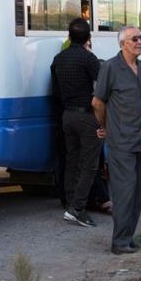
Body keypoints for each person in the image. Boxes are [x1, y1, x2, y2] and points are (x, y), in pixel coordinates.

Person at [92, 26, 141, 254]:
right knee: (124, 191)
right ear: (122, 43)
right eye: (134, 39)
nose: (139, 42)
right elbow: (98, 102)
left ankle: (128, 237)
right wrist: (105, 126)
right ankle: (119, 242)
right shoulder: (110, 67)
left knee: (137, 192)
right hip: (121, 142)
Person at [51, 18, 103, 228]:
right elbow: (102, 86)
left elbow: (55, 91)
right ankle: (78, 209)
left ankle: (70, 203)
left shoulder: (58, 59)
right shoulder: (88, 59)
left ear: (69, 36)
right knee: (89, 165)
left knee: (72, 162)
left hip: (67, 116)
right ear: (88, 38)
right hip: (87, 117)